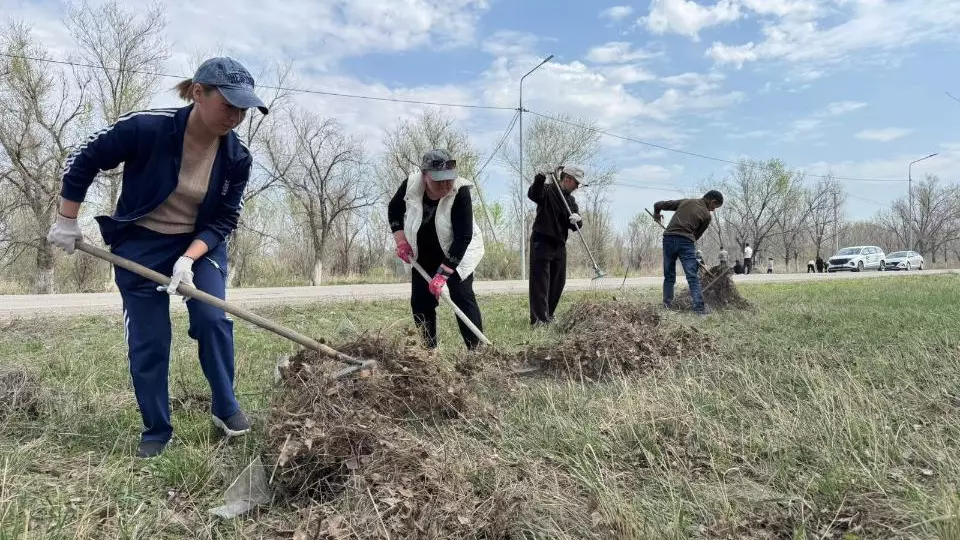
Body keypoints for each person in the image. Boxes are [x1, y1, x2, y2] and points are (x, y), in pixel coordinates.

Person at [46, 57, 268, 458]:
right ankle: (156, 429)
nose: (235, 117)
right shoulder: (147, 126)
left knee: (212, 317)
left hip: (199, 245)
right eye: (228, 105)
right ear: (199, 93)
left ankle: (225, 407)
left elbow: (224, 219)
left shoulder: (238, 157)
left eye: (243, 109)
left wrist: (188, 259)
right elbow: (84, 158)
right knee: (150, 340)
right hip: (141, 242)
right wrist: (66, 220)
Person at [388, 149, 485, 350]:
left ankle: (476, 350)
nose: (445, 185)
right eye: (438, 180)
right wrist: (400, 240)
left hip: (456, 252)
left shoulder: (461, 191)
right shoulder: (410, 185)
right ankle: (429, 351)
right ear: (425, 176)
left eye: (448, 179)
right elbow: (394, 209)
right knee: (421, 301)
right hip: (423, 251)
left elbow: (463, 237)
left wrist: (442, 275)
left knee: (461, 296)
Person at [527, 165, 585, 326]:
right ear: (568, 179)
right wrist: (539, 177)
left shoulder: (570, 200)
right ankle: (539, 319)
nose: (578, 187)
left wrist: (577, 220)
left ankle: (548, 314)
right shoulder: (547, 190)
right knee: (541, 282)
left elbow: (575, 226)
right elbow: (533, 194)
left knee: (558, 281)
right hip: (542, 240)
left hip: (559, 244)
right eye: (577, 183)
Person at [652, 190, 724, 315]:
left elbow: (658, 204)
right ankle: (699, 310)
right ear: (712, 201)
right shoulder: (706, 216)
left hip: (668, 239)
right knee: (692, 277)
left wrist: (656, 215)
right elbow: (695, 237)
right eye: (714, 207)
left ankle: (667, 306)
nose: (713, 210)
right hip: (686, 242)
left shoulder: (685, 202)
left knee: (669, 276)